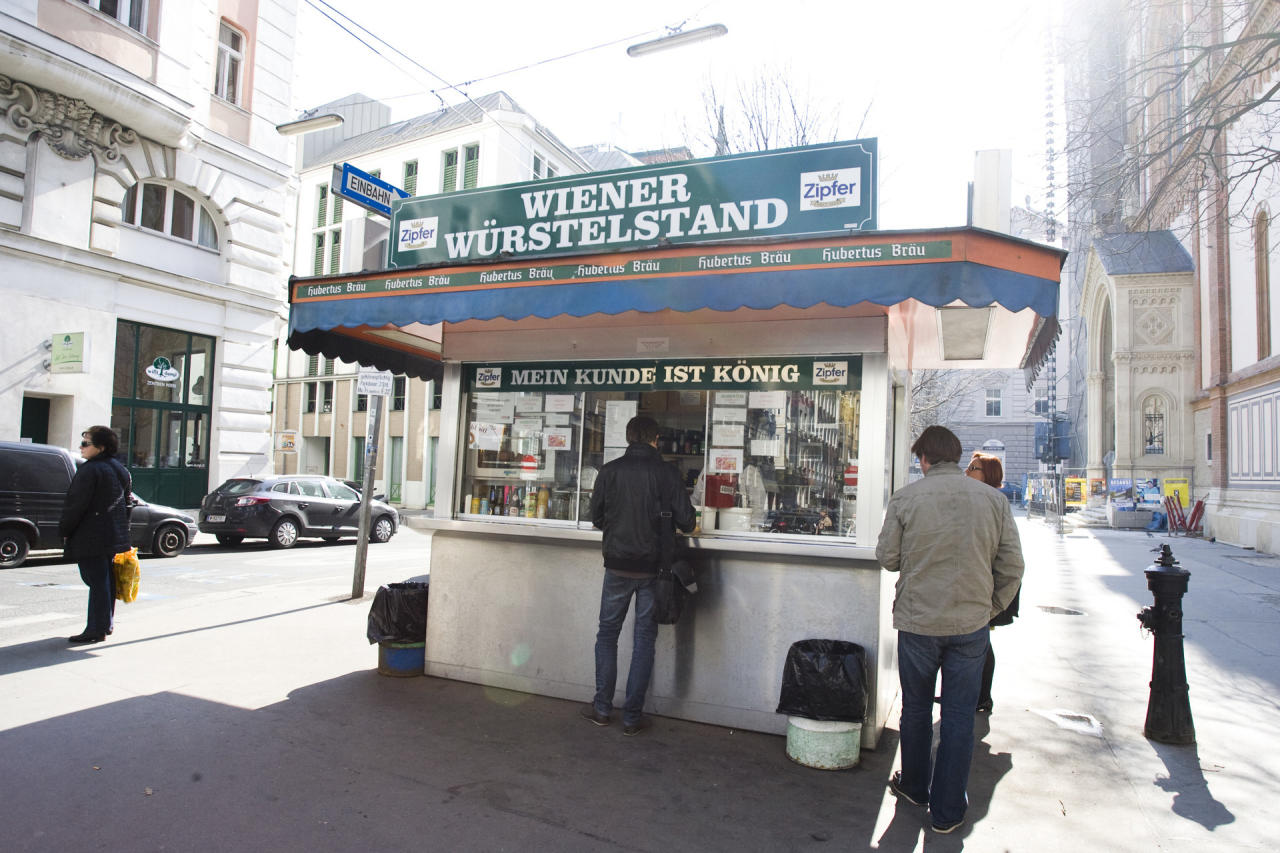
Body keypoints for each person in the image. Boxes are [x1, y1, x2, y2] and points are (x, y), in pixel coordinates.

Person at [876, 426, 1023, 834]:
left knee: (917, 709)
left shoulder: (906, 498)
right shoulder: (994, 501)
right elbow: (1013, 567)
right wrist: (989, 608)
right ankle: (948, 811)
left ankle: (915, 787)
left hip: (919, 623)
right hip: (971, 626)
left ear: (924, 459)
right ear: (956, 458)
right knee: (959, 717)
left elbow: (887, 558)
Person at [583, 415, 695, 736]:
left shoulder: (610, 471)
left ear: (629, 438)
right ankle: (632, 717)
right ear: (655, 439)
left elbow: (597, 517)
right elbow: (687, 522)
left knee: (607, 635)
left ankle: (602, 709)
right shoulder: (668, 474)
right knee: (644, 640)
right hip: (653, 570)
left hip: (616, 566)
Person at [60, 425, 132, 644]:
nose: (81, 447)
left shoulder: (90, 470)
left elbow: (76, 505)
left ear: (100, 447)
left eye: (86, 443)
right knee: (105, 580)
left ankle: (95, 629)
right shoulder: (119, 468)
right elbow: (127, 503)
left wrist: (64, 530)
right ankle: (105, 624)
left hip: (91, 535)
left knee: (96, 581)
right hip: (112, 534)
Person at [966, 452, 1022, 713]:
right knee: (978, 643)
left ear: (988, 474)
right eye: (968, 466)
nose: (968, 471)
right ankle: (974, 694)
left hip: (986, 587)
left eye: (974, 468)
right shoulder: (973, 498)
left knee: (981, 644)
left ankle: (981, 696)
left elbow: (1010, 557)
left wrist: (995, 604)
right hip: (978, 586)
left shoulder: (995, 501)